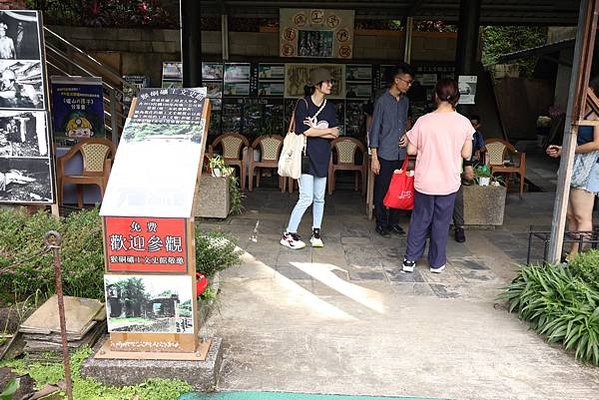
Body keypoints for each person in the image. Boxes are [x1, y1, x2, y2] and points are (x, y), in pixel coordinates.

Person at [402, 78, 474, 274]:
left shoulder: (423, 121)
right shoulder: (464, 123)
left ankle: (410, 260)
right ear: (456, 98)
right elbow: (467, 154)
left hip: (425, 181)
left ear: (435, 96)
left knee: (420, 220)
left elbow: (410, 149)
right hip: (448, 182)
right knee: (441, 222)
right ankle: (436, 263)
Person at [281, 68, 340, 249]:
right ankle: (289, 234)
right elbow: (303, 131)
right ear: (317, 85)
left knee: (320, 197)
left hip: (322, 156)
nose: (330, 85)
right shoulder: (303, 104)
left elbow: (336, 133)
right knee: (306, 197)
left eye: (331, 82)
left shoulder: (330, 108)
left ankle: (316, 233)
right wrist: (326, 131)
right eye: (327, 82)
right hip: (305, 156)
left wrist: (318, 131)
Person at [546, 76, 599, 261]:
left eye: (588, 89)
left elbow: (597, 144)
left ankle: (577, 255)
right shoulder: (581, 112)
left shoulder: (596, 114)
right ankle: (571, 250)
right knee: (569, 214)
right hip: (573, 165)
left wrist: (569, 150)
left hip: (588, 169)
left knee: (581, 214)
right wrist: (562, 150)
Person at [369, 64, 413, 238]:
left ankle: (393, 222)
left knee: (398, 187)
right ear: (397, 80)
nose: (409, 85)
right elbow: (375, 130)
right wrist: (374, 157)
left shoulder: (405, 102)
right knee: (382, 189)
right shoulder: (382, 101)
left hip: (400, 153)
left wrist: (408, 136)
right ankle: (381, 223)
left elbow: (406, 125)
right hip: (385, 153)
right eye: (407, 82)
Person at [452, 114, 484, 243]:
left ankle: (459, 227)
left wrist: (468, 165)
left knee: (457, 200)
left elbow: (467, 153)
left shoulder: (464, 126)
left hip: (455, 169)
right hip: (447, 168)